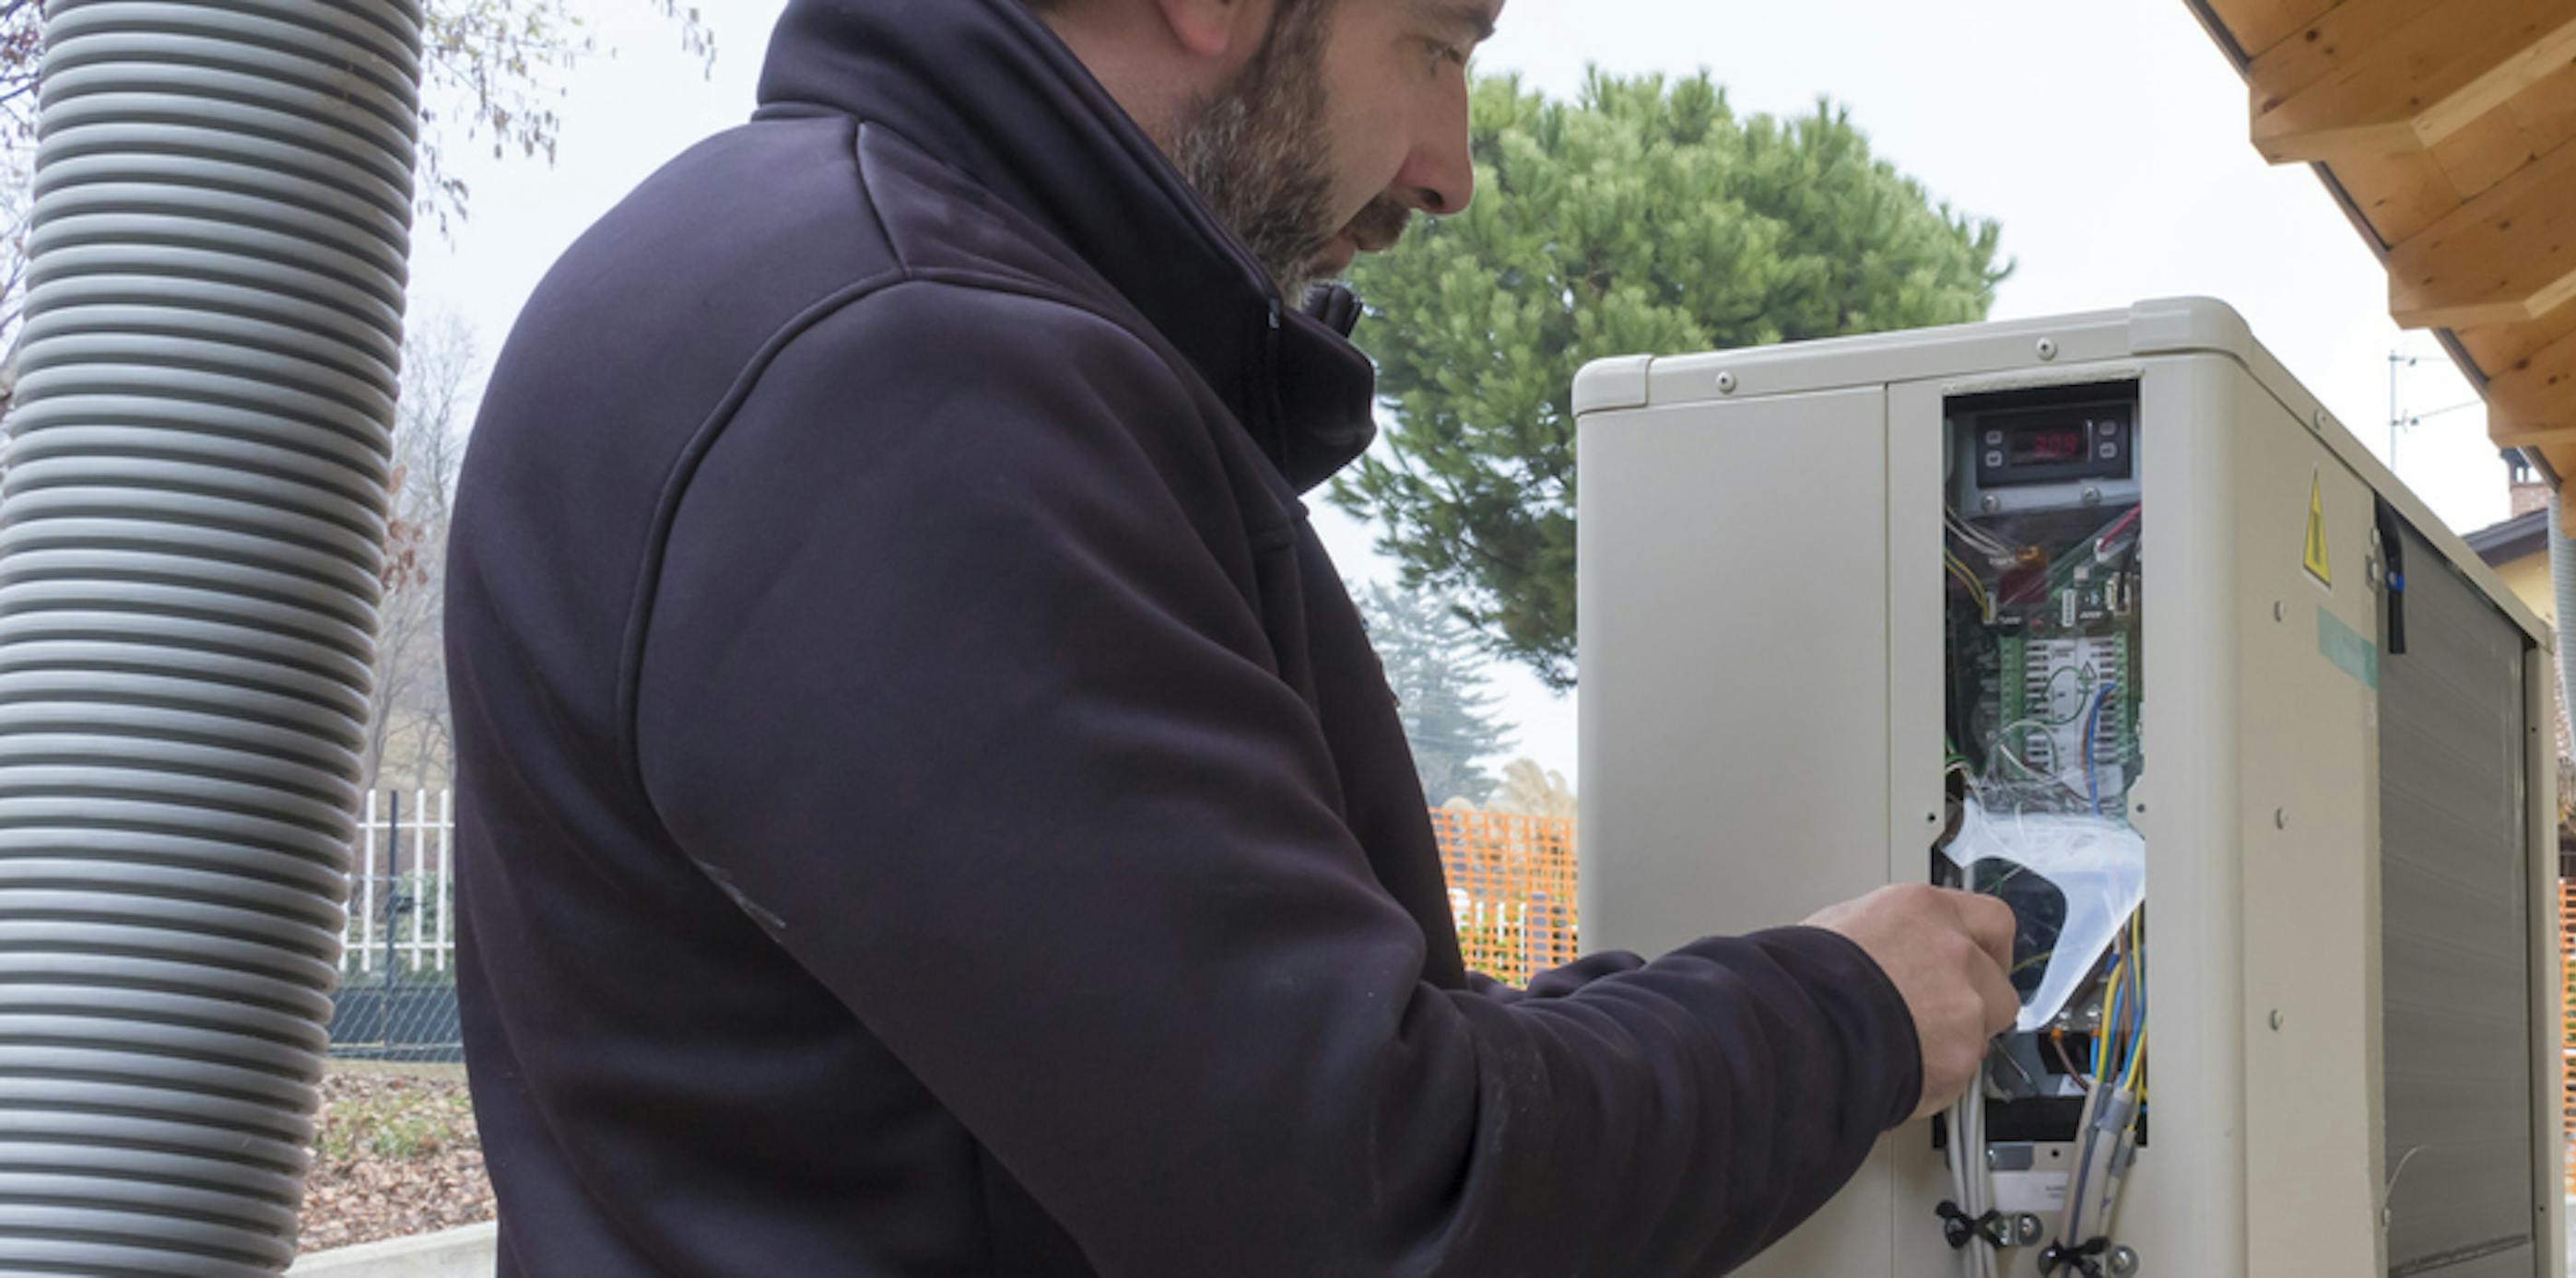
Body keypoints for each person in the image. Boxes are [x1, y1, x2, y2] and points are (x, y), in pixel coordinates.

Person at [442, 0, 2020, 1272]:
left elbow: (1207, 1090)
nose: (1451, 172)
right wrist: (1844, 1015)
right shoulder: (910, 377)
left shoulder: (825, 291)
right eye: (1438, 47)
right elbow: (1368, 1198)